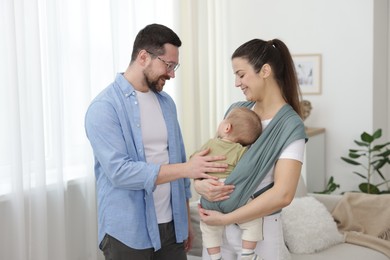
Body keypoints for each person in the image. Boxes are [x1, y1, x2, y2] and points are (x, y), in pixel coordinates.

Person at [84, 23, 228, 260]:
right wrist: (186, 169)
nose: (172, 74)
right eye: (168, 65)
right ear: (143, 57)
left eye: (175, 66)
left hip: (172, 227)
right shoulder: (104, 108)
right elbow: (120, 172)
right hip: (128, 232)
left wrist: (185, 222)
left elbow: (177, 157)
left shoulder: (166, 103)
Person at [194, 38, 307, 260]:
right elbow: (211, 159)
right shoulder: (237, 110)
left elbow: (283, 194)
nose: (237, 83)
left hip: (259, 232)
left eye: (241, 74)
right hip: (217, 230)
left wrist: (226, 218)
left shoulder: (289, 126)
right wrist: (200, 185)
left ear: (265, 71)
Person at [193, 107, 263, 260]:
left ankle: (215, 257)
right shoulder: (241, 151)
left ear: (227, 127)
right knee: (252, 221)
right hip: (231, 195)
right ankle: (248, 254)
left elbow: (194, 162)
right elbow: (247, 170)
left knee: (208, 228)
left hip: (209, 195)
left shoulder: (210, 144)